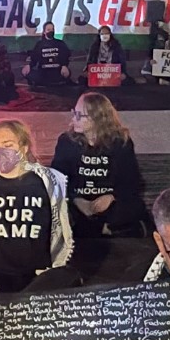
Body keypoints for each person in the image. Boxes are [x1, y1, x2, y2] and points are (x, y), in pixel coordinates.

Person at [0, 119, 80, 294]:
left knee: (67, 277)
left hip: (37, 278)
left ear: (24, 147)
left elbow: (60, 232)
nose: (0, 151)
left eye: (8, 144)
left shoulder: (47, 182)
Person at [51, 92, 148, 240]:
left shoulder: (120, 142)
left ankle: (94, 229)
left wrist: (111, 196)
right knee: (56, 210)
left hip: (110, 202)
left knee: (132, 206)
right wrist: (77, 199)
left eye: (79, 115)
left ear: (97, 118)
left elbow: (132, 180)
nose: (73, 119)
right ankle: (104, 229)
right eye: (74, 113)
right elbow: (57, 178)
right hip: (78, 202)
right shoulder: (67, 142)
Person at [24, 22, 75, 87]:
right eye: (48, 30)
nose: (51, 31)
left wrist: (64, 66)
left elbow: (66, 56)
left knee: (67, 73)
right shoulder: (39, 44)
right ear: (44, 32)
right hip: (43, 72)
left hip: (57, 72)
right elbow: (34, 58)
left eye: (52, 29)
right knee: (28, 73)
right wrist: (29, 66)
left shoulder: (60, 43)